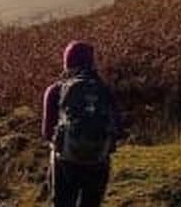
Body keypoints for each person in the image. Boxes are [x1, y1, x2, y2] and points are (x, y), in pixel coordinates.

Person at [42, 41, 122, 207]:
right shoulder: (105, 90)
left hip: (65, 161)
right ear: (91, 62)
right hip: (99, 161)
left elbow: (47, 133)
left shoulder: (55, 90)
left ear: (67, 63)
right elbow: (118, 127)